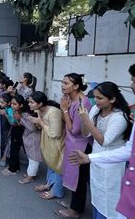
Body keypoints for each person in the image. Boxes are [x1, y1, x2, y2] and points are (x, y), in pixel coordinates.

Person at [70, 56, 135, 219]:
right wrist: (89, 158)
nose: (131, 86)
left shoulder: (120, 116)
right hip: (129, 200)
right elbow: (130, 150)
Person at [77, 81, 132, 218]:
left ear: (112, 99)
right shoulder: (96, 110)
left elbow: (104, 141)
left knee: (110, 199)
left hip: (112, 164)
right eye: (95, 97)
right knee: (97, 195)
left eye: (100, 98)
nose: (95, 101)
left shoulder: (119, 117)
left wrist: (87, 121)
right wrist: (84, 120)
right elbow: (86, 133)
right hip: (95, 159)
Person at [56, 73, 92, 218]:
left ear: (76, 86)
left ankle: (75, 210)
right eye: (62, 83)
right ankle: (75, 204)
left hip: (81, 146)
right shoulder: (71, 99)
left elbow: (75, 130)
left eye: (66, 83)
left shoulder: (82, 103)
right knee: (73, 174)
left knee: (78, 178)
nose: (62, 86)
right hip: (73, 144)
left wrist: (64, 109)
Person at [27, 91, 65, 200]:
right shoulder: (38, 110)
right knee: (50, 163)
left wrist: (39, 122)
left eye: (31, 102)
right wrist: (38, 122)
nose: (29, 104)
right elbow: (42, 126)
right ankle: (49, 184)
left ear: (40, 103)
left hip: (56, 143)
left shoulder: (54, 112)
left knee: (57, 166)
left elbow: (55, 133)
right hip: (47, 141)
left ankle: (56, 191)